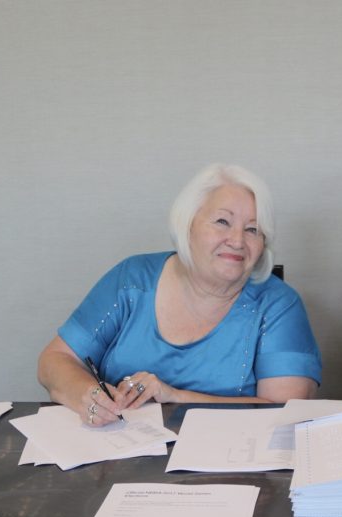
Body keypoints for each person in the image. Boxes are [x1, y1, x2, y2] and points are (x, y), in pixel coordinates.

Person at [38, 163, 322, 426]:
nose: (237, 241)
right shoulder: (131, 281)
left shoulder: (278, 305)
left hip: (234, 463)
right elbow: (54, 360)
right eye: (222, 222)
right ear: (187, 226)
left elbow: (285, 410)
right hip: (121, 456)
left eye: (252, 229)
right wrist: (88, 395)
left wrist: (174, 396)